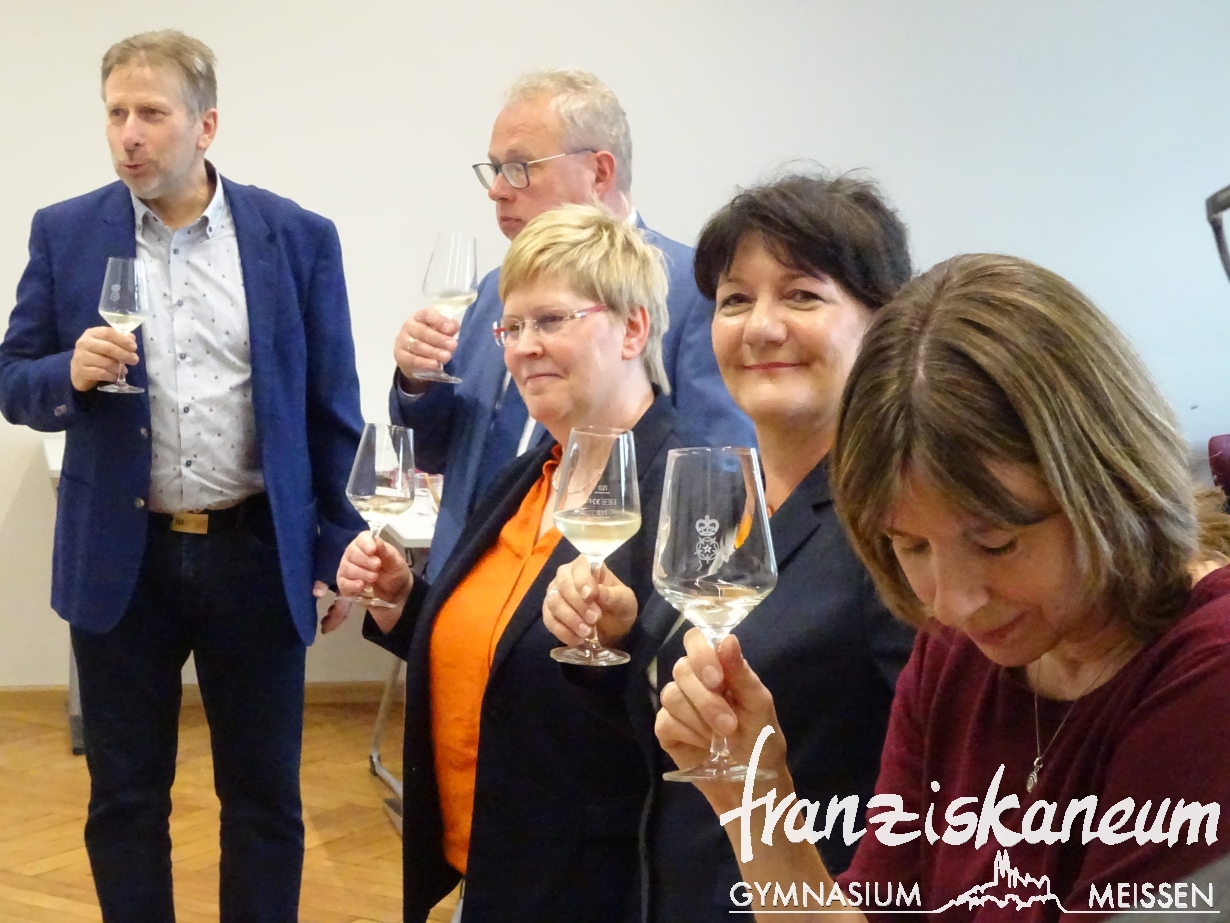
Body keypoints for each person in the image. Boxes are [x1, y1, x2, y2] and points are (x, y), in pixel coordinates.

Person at [655, 253, 1230, 921]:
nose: (952, 602)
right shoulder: (959, 651)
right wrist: (753, 797)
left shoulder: (1208, 676)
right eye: (911, 546)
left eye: (997, 543)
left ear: (1107, 484)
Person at [0, 31, 364, 923]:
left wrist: (335, 546)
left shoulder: (296, 238)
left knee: (265, 799)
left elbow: (331, 409)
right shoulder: (65, 232)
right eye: (115, 113)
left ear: (206, 125)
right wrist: (65, 373)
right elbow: (12, 377)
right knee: (125, 800)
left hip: (255, 552)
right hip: (122, 559)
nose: (128, 133)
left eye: (151, 113)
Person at [541, 174, 917, 922]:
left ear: (885, 322)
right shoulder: (731, 502)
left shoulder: (898, 531)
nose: (760, 327)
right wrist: (618, 638)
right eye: (736, 299)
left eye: (802, 296)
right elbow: (676, 742)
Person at [335, 205, 691, 923]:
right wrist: (403, 603)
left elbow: (697, 707)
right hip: (490, 865)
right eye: (512, 328)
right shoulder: (527, 476)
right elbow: (500, 651)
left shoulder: (683, 489)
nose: (524, 348)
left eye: (551, 320)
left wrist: (623, 642)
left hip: (599, 887)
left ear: (633, 329)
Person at [390, 69, 754, 581]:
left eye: (518, 168)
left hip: (593, 596)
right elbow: (438, 454)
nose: (497, 191)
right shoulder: (494, 289)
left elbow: (717, 482)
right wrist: (418, 382)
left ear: (599, 173)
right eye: (494, 170)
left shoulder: (693, 289)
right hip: (463, 586)